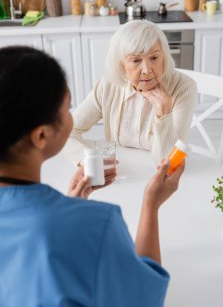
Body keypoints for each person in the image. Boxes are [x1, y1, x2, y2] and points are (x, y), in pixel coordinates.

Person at [0, 46, 184, 307]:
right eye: (66, 109)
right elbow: (145, 297)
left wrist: (69, 206)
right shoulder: (96, 224)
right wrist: (151, 204)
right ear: (41, 136)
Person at [64, 19, 197, 167]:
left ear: (164, 57)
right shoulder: (108, 85)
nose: (147, 69)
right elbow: (67, 131)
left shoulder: (184, 87)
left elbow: (172, 163)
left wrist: (165, 111)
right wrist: (88, 162)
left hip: (161, 177)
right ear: (121, 64)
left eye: (154, 58)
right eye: (136, 60)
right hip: (120, 171)